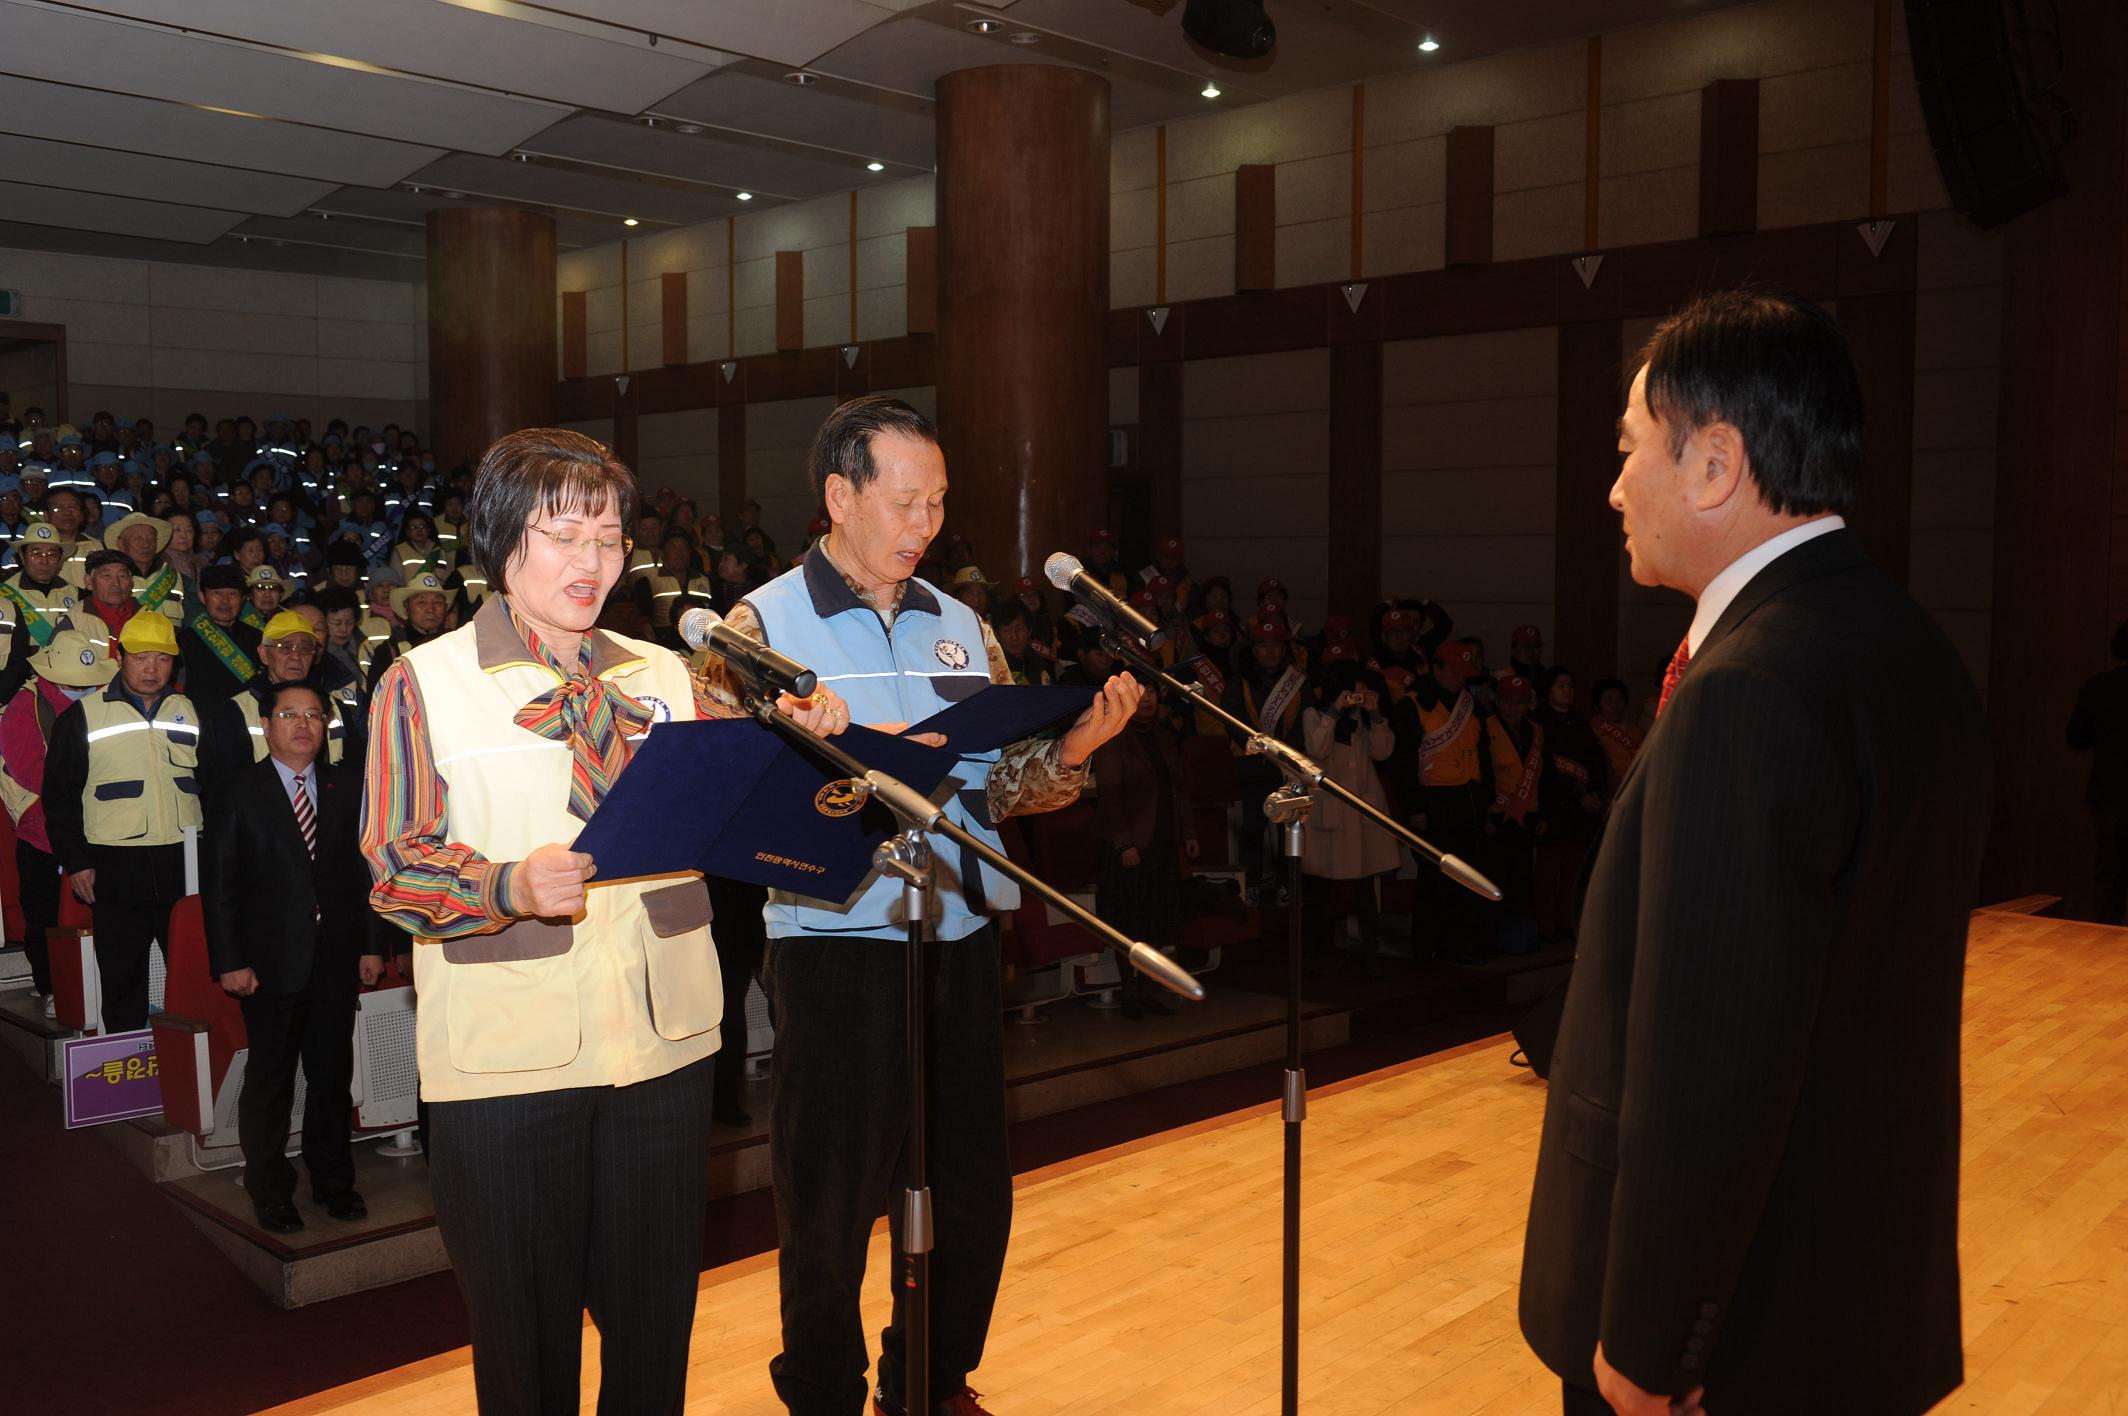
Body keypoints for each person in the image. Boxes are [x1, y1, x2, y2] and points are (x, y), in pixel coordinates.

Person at [1519, 289, 1991, 1415]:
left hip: (1732, 1340)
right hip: (1849, 1288)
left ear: (1716, 464)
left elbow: (1711, 1063)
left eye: (1631, 448)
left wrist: (1647, 1345)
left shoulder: (1747, 689)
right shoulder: (1900, 643)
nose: (1614, 486)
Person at [360, 427, 840, 1412]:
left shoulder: (668, 676)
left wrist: (805, 750)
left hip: (659, 1058)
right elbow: (395, 869)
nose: (593, 562)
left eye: (611, 539)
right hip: (507, 1067)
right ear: (501, 540)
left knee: (652, 1343)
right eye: (565, 535)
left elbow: (747, 821)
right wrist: (505, 887)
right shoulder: (425, 683)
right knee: (527, 1359)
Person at [706, 395, 1140, 1416]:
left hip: (956, 930)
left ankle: (932, 1376)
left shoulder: (962, 624)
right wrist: (807, 747)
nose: (924, 525)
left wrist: (1072, 751)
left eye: (938, 504)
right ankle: (820, 1389)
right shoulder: (758, 625)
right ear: (838, 497)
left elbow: (995, 782)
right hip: (836, 941)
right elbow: (728, 791)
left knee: (967, 1190)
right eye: (905, 502)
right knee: (830, 1193)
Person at [203, 679, 380, 1234]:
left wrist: (373, 945)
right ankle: (270, 1190)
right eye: (288, 715)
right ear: (266, 725)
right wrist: (230, 959)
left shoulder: (346, 784)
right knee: (271, 1080)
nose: (302, 725)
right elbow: (221, 886)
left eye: (312, 715)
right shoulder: (238, 791)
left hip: (335, 960)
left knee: (331, 1077)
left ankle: (334, 1183)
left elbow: (366, 874)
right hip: (267, 964)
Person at [40, 613, 201, 1033]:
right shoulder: (82, 717)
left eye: (162, 659)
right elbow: (59, 798)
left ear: (174, 662)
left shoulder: (192, 711)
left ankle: (195, 1081)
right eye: (140, 657)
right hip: (113, 867)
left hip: (183, 863)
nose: (151, 669)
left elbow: (215, 790)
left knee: (193, 977)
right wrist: (76, 861)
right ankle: (128, 1068)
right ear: (121, 657)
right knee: (122, 978)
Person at [0, 626, 116, 1017]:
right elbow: (28, 769)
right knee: (44, 913)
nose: (83, 689)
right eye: (75, 685)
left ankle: (97, 986)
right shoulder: (25, 705)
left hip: (96, 824)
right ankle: (48, 984)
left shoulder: (103, 703)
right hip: (41, 827)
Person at [1091, 678, 1197, 1015]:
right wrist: (1124, 844)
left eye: (1151, 691)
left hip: (1163, 839)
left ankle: (1147, 990)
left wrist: (1189, 833)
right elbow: (1109, 794)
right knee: (1128, 918)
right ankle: (1130, 990)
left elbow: (1177, 789)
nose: (1147, 698)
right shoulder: (1113, 738)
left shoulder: (1164, 735)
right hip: (1130, 843)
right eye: (1141, 692)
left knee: (1157, 917)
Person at [1298, 658, 1399, 974]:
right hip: (1332, 814)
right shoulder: (1314, 714)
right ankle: (1318, 955)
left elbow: (1384, 753)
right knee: (1322, 888)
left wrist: (1375, 713)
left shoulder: (1366, 719)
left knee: (1366, 888)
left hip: (1363, 814)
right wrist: (1333, 714)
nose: (1358, 696)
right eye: (1354, 691)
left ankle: (1371, 954)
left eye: (1363, 691)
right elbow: (1317, 749)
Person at [1531, 667, 1606, 944]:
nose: (1567, 690)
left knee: (1574, 871)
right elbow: (1545, 770)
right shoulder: (1538, 721)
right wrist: (1578, 795)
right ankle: (1545, 927)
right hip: (1552, 808)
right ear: (1548, 690)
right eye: (1561, 685)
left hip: (1580, 812)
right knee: (1548, 873)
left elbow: (1596, 761)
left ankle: (1567, 923)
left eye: (1570, 685)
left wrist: (1595, 792)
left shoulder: (1579, 721)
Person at [2067, 621, 2128, 925]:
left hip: (2109, 791)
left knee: (2110, 870)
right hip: (2112, 791)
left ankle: (2105, 938)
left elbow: (2076, 739)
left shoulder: (2098, 687)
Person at [0, 524, 86, 701]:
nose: (44, 561)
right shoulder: (3, 596)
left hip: (70, 685)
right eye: (36, 553)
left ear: (61, 560)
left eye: (52, 554)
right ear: (22, 557)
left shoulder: (80, 596)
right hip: (19, 689)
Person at [178, 563, 264, 705]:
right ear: (202, 596)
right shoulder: (185, 640)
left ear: (243, 599)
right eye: (217, 593)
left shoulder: (257, 639)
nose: (225, 601)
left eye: (232, 594)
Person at [363, 570, 451, 689]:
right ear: (406, 608)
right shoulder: (388, 652)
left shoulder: (457, 644)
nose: (430, 609)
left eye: (437, 602)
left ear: (445, 608)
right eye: (422, 602)